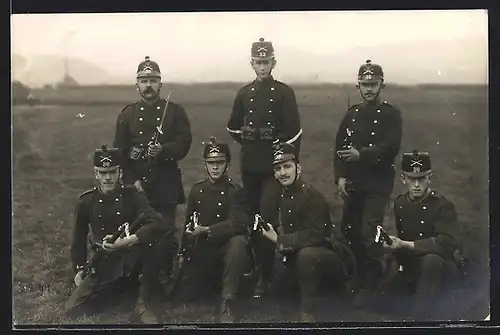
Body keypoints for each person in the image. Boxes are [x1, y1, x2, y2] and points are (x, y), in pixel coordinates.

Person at [226, 37, 302, 298]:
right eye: (258, 62)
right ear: (251, 63)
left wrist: (283, 159)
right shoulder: (244, 93)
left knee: (267, 218)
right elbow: (232, 126)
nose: (262, 66)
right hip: (250, 166)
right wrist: (249, 137)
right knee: (250, 216)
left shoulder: (284, 93)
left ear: (273, 62)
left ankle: (265, 276)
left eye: (266, 61)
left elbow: (294, 133)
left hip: (273, 168)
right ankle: (254, 266)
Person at [65, 145, 170, 324]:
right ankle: (124, 292)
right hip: (104, 258)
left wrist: (129, 240)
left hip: (133, 256)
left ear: (120, 172)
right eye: (103, 173)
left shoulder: (133, 196)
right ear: (96, 174)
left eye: (112, 172)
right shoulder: (86, 202)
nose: (108, 178)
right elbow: (78, 240)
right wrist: (80, 269)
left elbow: (159, 222)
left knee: (155, 243)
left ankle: (143, 301)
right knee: (73, 309)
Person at [113, 55, 192, 284]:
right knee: (138, 230)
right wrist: (132, 179)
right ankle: (137, 275)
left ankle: (165, 274)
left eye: (153, 80)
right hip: (137, 184)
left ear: (160, 84)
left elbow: (184, 142)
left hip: (165, 181)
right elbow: (120, 151)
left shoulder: (175, 111)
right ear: (136, 84)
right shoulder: (127, 114)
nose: (148, 85)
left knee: (166, 230)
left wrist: (164, 150)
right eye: (144, 80)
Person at [257, 142, 355, 322]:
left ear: (298, 168)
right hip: (303, 256)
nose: (283, 173)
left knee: (306, 256)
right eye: (278, 169)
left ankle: (309, 312)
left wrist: (279, 239)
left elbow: (315, 236)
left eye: (287, 166)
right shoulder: (283, 193)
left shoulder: (311, 196)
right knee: (279, 293)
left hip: (328, 259)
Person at [333, 59, 403, 302]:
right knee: (348, 230)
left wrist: (361, 154)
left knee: (369, 230)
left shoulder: (391, 114)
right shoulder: (352, 114)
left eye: (373, 84)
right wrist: (340, 177)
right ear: (358, 86)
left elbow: (391, 147)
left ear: (382, 85)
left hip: (378, 183)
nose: (369, 89)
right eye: (365, 84)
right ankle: (358, 275)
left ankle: (374, 280)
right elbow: (339, 147)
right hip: (354, 182)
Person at [170, 137, 250, 323]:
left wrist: (206, 230)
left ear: (227, 165)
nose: (215, 167)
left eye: (220, 163)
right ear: (205, 164)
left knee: (238, 242)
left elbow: (238, 224)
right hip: (203, 252)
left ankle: (228, 301)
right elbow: (188, 225)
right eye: (211, 163)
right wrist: (183, 252)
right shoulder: (197, 190)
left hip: (225, 253)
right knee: (185, 294)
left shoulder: (235, 191)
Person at [380, 150, 463, 320]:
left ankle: (420, 317)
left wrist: (406, 245)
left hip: (440, 267)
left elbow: (447, 243)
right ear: (403, 179)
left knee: (431, 260)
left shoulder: (442, 205)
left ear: (429, 178)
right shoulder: (400, 203)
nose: (416, 184)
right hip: (413, 266)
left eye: (421, 179)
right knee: (375, 301)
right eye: (412, 179)